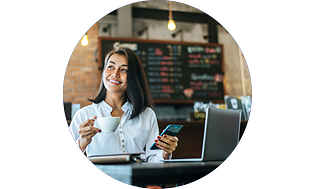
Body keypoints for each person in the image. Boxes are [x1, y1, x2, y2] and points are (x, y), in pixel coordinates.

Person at [69, 46, 179, 162]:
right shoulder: (83, 115)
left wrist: (165, 152)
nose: (115, 74)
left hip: (137, 179)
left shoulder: (146, 114)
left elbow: (153, 160)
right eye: (111, 66)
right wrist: (82, 143)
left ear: (133, 76)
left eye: (124, 70)